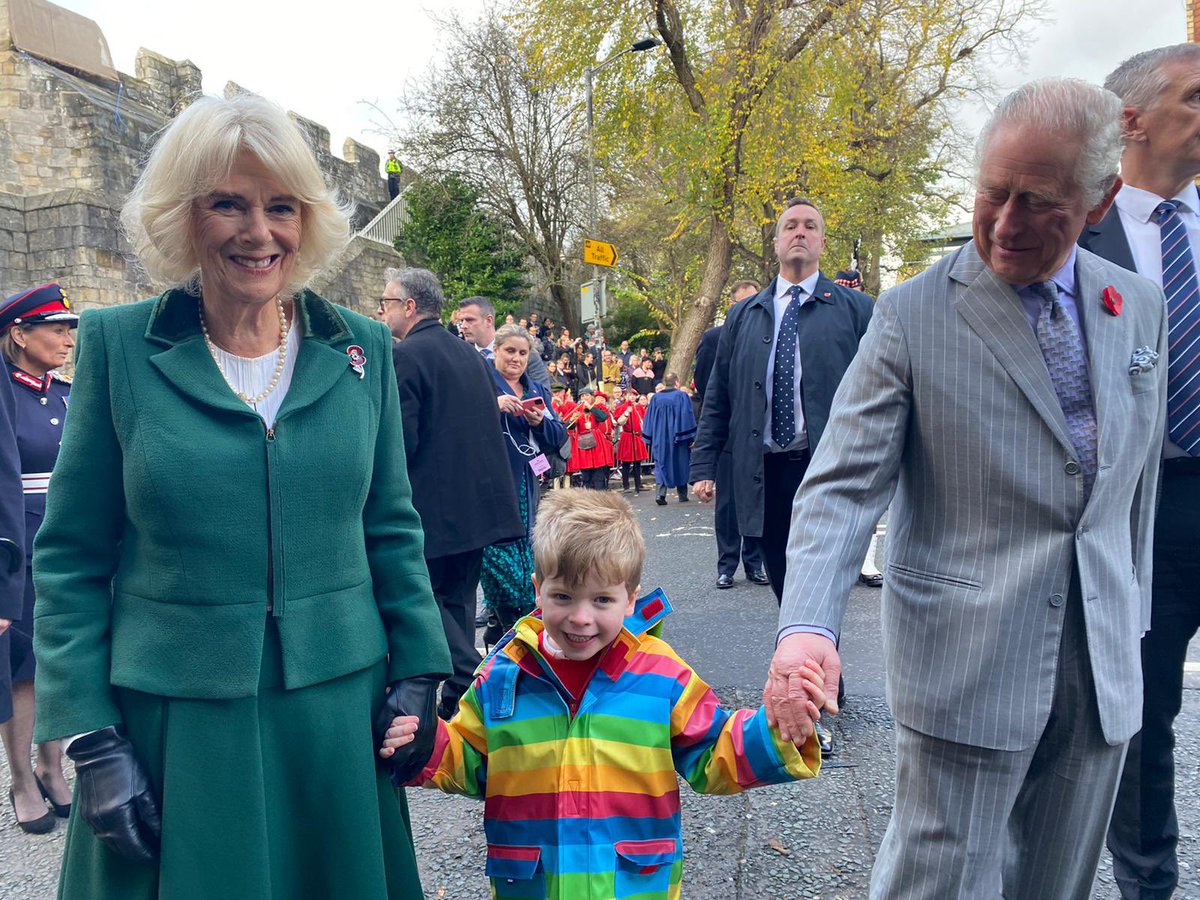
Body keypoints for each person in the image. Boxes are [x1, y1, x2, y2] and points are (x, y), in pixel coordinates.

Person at [32, 93, 451, 898]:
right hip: (175, 724)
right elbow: (72, 559)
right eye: (228, 203)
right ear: (184, 218)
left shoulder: (360, 348)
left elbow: (391, 525)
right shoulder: (118, 346)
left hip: (335, 717)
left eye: (280, 207)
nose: (258, 232)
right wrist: (91, 737)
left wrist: (419, 669)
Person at [770, 79, 1168, 898]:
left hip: (1100, 666)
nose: (1007, 222)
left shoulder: (1139, 307)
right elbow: (841, 486)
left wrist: (1135, 621)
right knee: (936, 884)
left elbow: (1137, 488)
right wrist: (808, 625)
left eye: (1039, 201)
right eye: (994, 192)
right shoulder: (914, 314)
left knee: (1055, 887)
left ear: (1101, 199)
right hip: (964, 662)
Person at [380, 489, 824, 900]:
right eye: (563, 596)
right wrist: (425, 743)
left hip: (631, 886)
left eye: (601, 601)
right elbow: (474, 761)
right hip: (533, 887)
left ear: (630, 600)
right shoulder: (503, 677)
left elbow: (714, 751)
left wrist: (777, 730)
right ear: (537, 591)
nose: (580, 618)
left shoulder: (661, 675)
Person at [1079, 44, 1200, 900]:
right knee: (1142, 714)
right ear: (1134, 121)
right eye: (1197, 98)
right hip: (1140, 509)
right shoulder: (1074, 234)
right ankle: (1148, 884)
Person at [691, 198, 873, 604]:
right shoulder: (744, 315)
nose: (800, 232)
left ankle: (811, 664)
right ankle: (808, 665)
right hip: (764, 475)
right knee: (786, 590)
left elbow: (881, 395)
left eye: (810, 226)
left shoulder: (858, 311)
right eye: (791, 226)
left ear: (823, 243)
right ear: (776, 243)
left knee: (818, 594)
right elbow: (719, 397)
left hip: (827, 474)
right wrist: (704, 465)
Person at [381, 267, 524, 720]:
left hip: (435, 507)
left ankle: (475, 675)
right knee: (458, 601)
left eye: (386, 303)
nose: (381, 312)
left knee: (423, 594)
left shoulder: (407, 356)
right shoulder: (468, 355)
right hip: (479, 504)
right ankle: (461, 696)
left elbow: (402, 442)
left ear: (409, 307)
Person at [0, 284, 73, 833]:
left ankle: (53, 765)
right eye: (56, 328)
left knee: (63, 657)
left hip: (67, 545)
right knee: (24, 668)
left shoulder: (67, 393)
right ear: (19, 335)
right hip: (18, 544)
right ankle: (22, 779)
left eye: (70, 328)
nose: (67, 337)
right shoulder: (4, 394)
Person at [481, 324, 566, 643]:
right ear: (496, 350)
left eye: (522, 353)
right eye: (509, 351)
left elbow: (558, 438)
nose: (516, 358)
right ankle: (506, 623)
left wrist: (541, 421)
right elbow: (460, 423)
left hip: (527, 484)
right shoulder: (481, 381)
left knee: (527, 556)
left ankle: (512, 630)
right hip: (489, 484)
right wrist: (494, 405)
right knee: (497, 558)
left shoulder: (537, 390)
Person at [694, 279, 768, 590]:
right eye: (741, 303)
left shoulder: (768, 335)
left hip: (760, 435)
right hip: (728, 436)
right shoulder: (713, 337)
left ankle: (754, 564)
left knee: (757, 501)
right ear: (731, 306)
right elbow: (704, 384)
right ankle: (727, 566)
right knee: (727, 507)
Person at [458, 296, 551, 387]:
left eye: (470, 320)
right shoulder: (461, 355)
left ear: (489, 320)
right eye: (462, 320)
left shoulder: (525, 352)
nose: (463, 326)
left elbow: (544, 393)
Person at [643, 373, 696, 506]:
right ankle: (682, 495)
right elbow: (687, 417)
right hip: (678, 436)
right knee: (680, 462)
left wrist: (649, 437)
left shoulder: (655, 398)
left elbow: (648, 419)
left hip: (660, 437)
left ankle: (660, 494)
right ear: (677, 382)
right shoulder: (682, 396)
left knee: (661, 463)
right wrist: (691, 438)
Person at [563, 387, 613, 491]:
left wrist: (591, 407)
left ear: (592, 397)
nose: (584, 398)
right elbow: (568, 426)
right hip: (583, 443)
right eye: (582, 396)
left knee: (599, 474)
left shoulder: (597, 407)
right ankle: (588, 498)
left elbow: (603, 417)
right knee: (586, 476)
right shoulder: (577, 410)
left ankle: (600, 496)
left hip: (596, 441)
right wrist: (572, 419)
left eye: (587, 395)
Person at [614, 389, 648, 493]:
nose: (632, 397)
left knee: (638, 462)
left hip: (637, 436)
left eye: (634, 395)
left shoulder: (638, 408)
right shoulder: (622, 407)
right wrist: (626, 412)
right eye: (630, 395)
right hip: (628, 436)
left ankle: (638, 484)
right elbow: (620, 422)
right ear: (625, 396)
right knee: (626, 463)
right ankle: (626, 486)